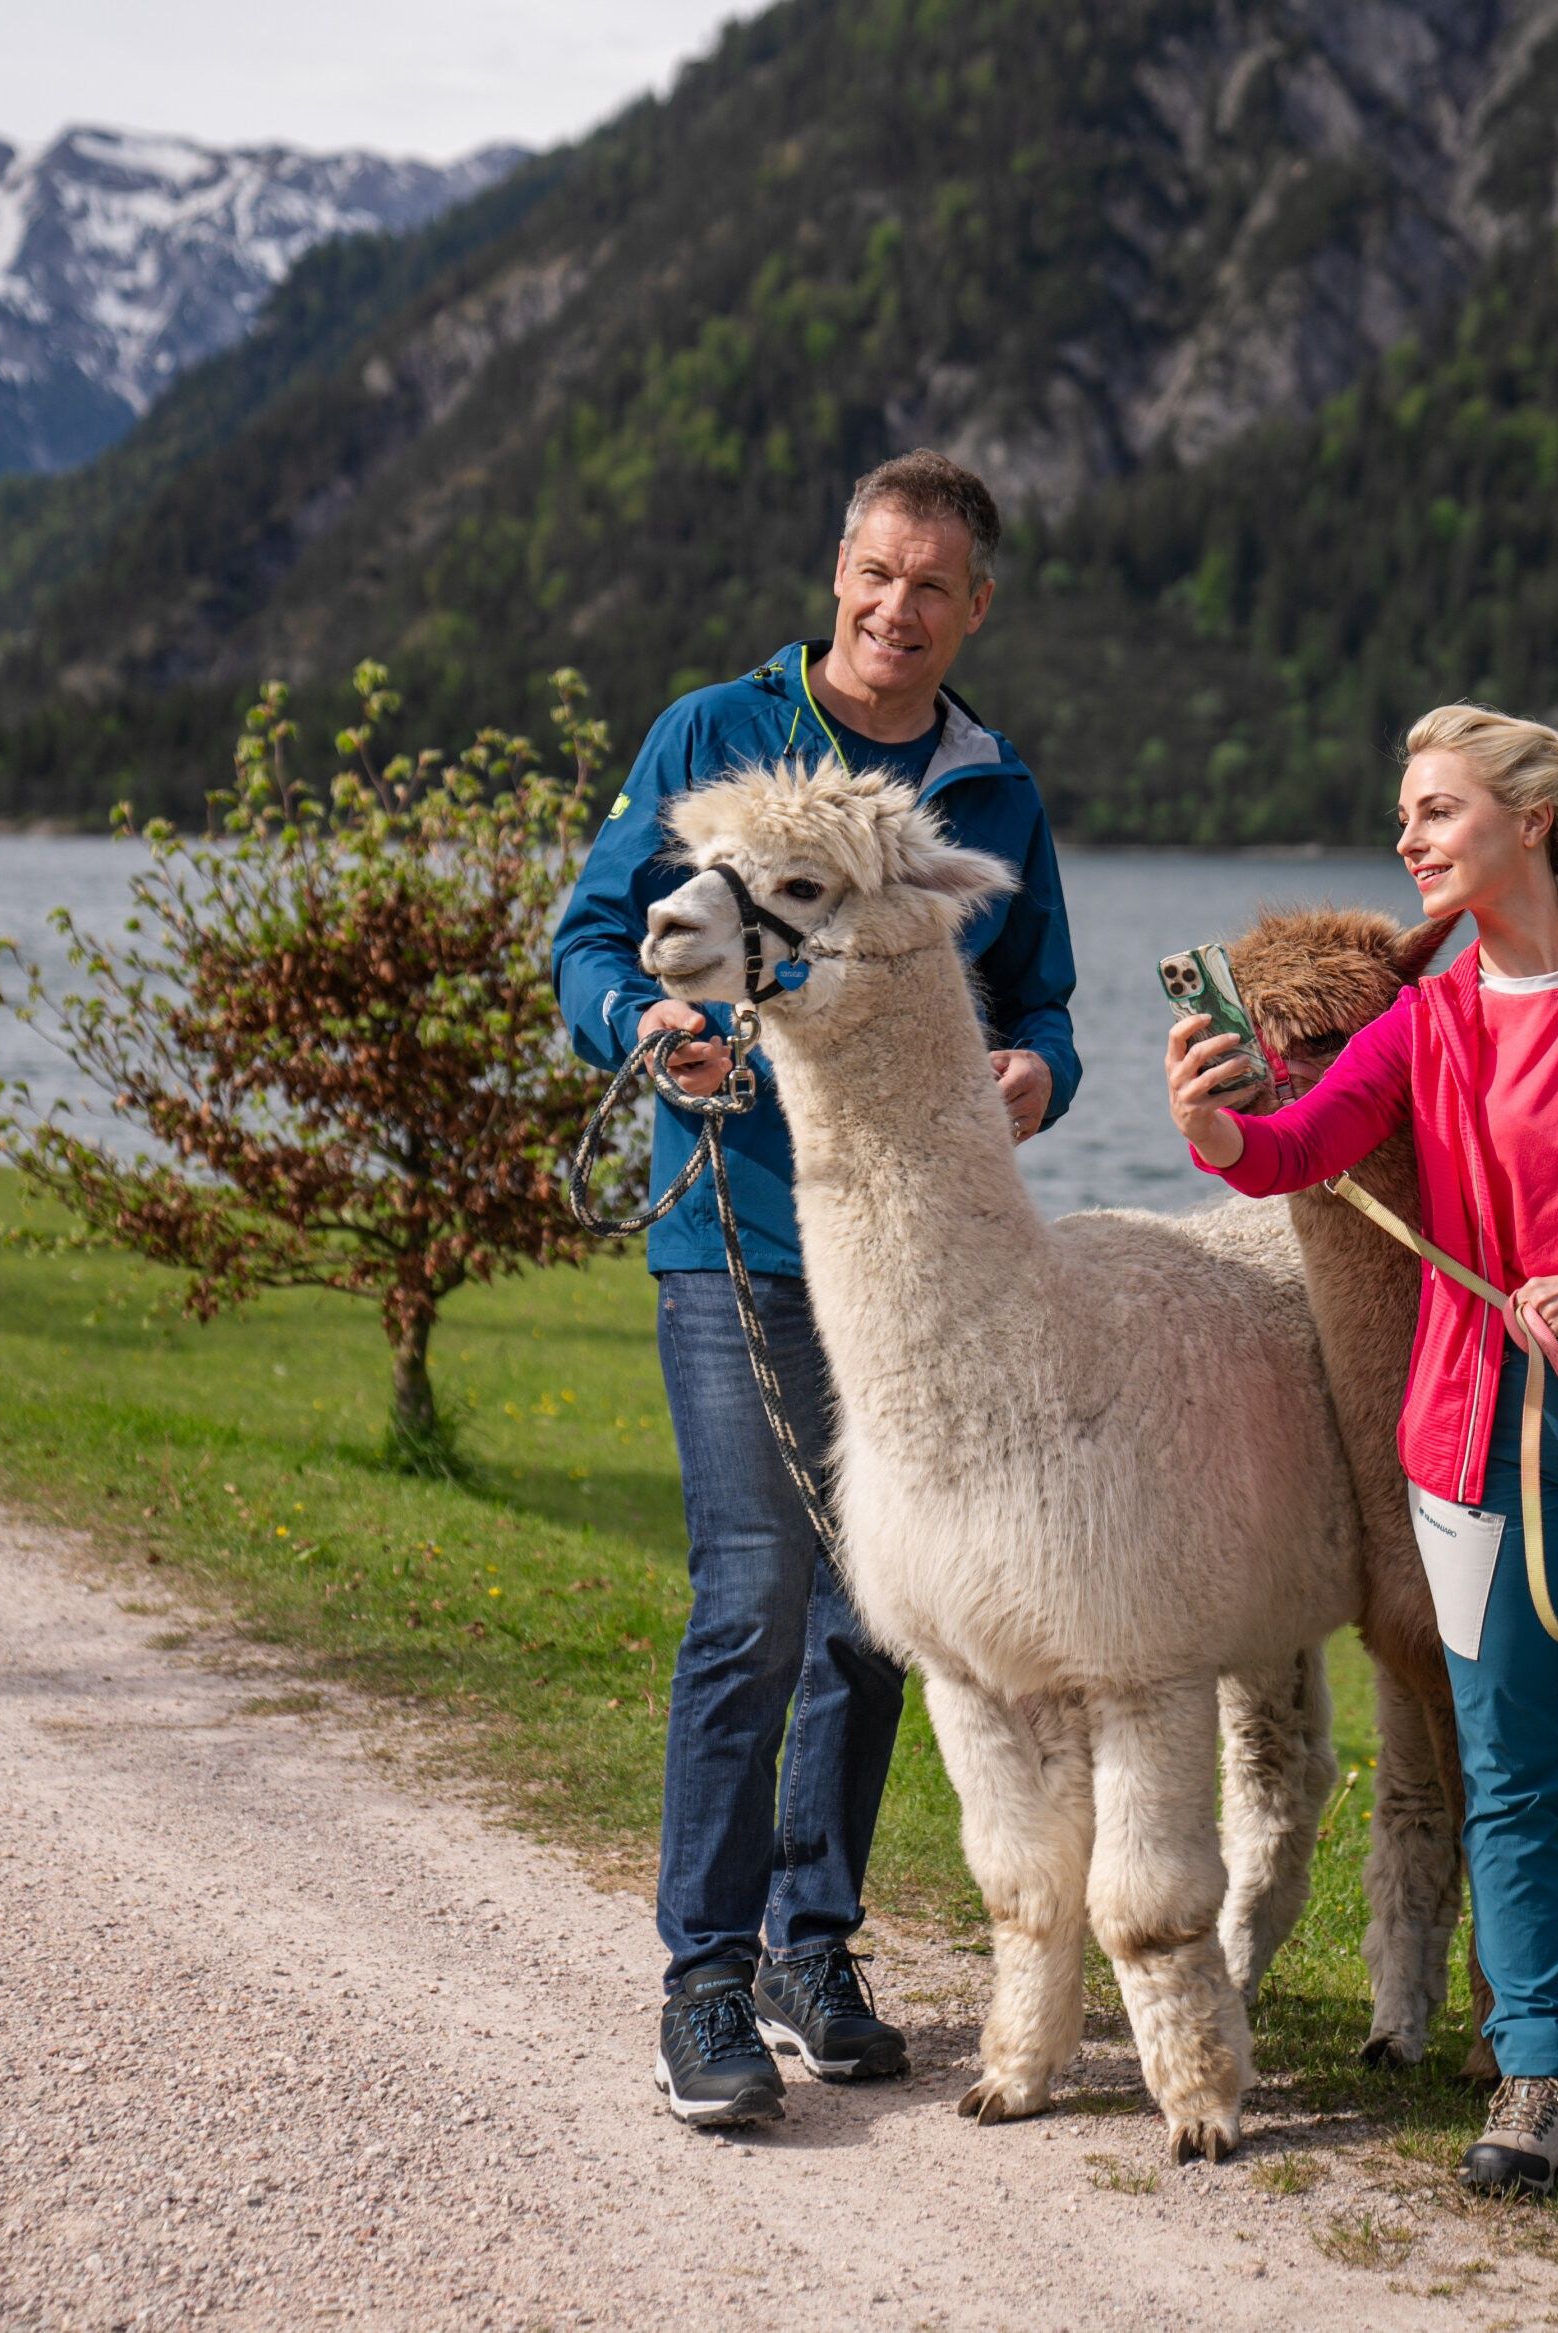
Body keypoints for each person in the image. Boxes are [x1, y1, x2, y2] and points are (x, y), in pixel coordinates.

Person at [1165, 705, 1558, 2233]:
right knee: (1506, 1768)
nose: (1410, 838)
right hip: (1474, 1428)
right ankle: (1537, 2074)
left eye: (1438, 809)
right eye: (1405, 814)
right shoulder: (1432, 1019)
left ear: (1535, 817)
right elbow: (1300, 1149)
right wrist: (1212, 1124)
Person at [552, 450, 1081, 2128]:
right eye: (874, 571)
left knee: (874, 1616)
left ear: (975, 605)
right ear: (836, 571)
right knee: (755, 1593)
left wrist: (1038, 1076)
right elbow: (592, 937)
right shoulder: (714, 736)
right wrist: (643, 1025)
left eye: (931, 584)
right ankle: (702, 1978)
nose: (894, 608)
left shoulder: (991, 792)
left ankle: (811, 1941)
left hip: (916, 1266)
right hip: (738, 1226)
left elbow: (1043, 1004)